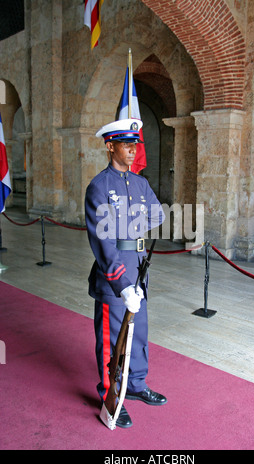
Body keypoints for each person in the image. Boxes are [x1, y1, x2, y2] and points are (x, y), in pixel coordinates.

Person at [85, 118, 167, 428]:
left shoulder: (141, 184)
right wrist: (121, 283)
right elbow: (102, 241)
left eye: (135, 144)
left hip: (139, 269)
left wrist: (128, 225)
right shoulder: (99, 187)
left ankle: (135, 384)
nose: (132, 150)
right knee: (112, 341)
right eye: (125, 144)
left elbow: (158, 213)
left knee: (140, 334)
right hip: (115, 274)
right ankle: (111, 395)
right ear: (110, 146)